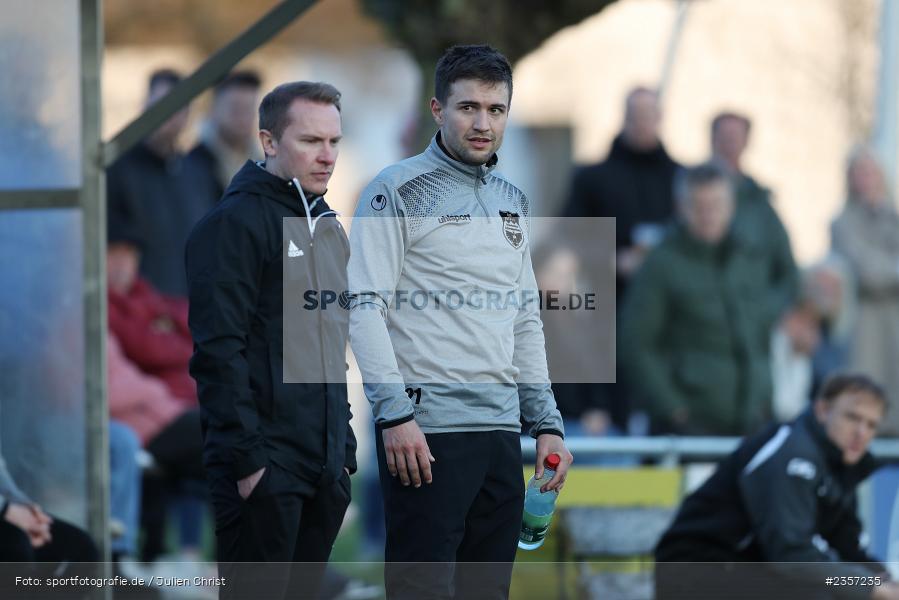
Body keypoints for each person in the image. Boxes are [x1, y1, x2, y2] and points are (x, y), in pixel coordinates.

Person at [347, 44, 572, 600]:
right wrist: (394, 414)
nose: (482, 123)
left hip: (501, 435)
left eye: (496, 110)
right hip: (424, 436)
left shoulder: (513, 200)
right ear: (437, 109)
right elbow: (363, 306)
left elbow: (525, 319)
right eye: (468, 107)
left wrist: (547, 422)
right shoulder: (394, 190)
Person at [186, 81, 356, 600]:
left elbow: (330, 347)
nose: (327, 156)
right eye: (310, 141)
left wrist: (342, 452)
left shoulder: (326, 225)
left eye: (334, 141)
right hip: (263, 470)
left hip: (322, 469)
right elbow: (218, 354)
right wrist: (250, 464)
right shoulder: (232, 224)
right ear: (269, 141)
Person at [654, 373, 899, 600]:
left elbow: (848, 548)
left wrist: (886, 582)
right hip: (697, 569)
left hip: (746, 568)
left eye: (871, 425)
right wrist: (867, 586)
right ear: (823, 410)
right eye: (852, 417)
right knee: (825, 593)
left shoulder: (841, 465)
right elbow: (792, 556)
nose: (861, 432)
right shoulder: (793, 454)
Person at [621, 162, 775, 435]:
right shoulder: (661, 263)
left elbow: (762, 323)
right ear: (681, 207)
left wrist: (763, 396)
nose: (708, 215)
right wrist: (673, 409)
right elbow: (635, 342)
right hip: (691, 427)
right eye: (697, 206)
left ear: (731, 206)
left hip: (752, 420)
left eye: (716, 204)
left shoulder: (748, 256)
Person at [107, 68, 217, 297]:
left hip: (192, 307)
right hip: (141, 309)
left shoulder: (198, 172)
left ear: (187, 115)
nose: (167, 116)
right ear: (144, 107)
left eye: (177, 108)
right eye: (160, 106)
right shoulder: (117, 170)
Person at [832, 146, 899, 435]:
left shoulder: (893, 219)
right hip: (864, 330)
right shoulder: (842, 224)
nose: (865, 179)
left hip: (894, 329)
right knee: (866, 408)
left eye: (870, 172)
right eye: (859, 172)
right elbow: (866, 271)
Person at [711, 111, 799, 318]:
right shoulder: (687, 196)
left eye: (735, 137)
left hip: (750, 319)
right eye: (724, 136)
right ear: (712, 139)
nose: (729, 144)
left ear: (746, 142)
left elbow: (788, 273)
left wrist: (766, 312)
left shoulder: (760, 206)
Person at [187, 70, 263, 205]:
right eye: (235, 109)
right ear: (214, 109)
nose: (243, 118)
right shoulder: (192, 166)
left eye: (249, 109)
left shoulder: (263, 164)